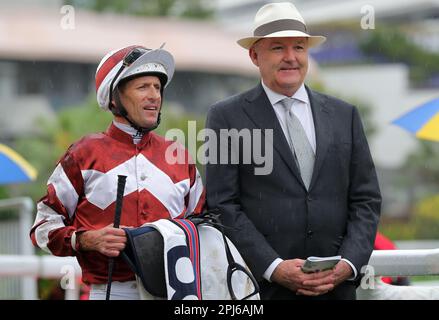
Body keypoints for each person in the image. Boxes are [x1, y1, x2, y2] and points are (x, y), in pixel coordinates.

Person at [205, 2, 381, 300]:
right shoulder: (226, 116)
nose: (290, 58)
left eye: (299, 47)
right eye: (277, 48)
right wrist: (274, 267)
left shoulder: (344, 114)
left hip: (336, 289)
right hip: (264, 289)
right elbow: (222, 204)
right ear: (254, 55)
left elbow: (366, 199)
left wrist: (348, 264)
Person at [30, 45, 205, 300]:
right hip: (110, 292)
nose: (154, 96)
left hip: (174, 292)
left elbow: (203, 227)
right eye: (143, 87)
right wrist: (84, 239)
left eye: (157, 87)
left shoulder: (178, 156)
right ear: (114, 98)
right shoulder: (83, 154)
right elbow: (42, 227)